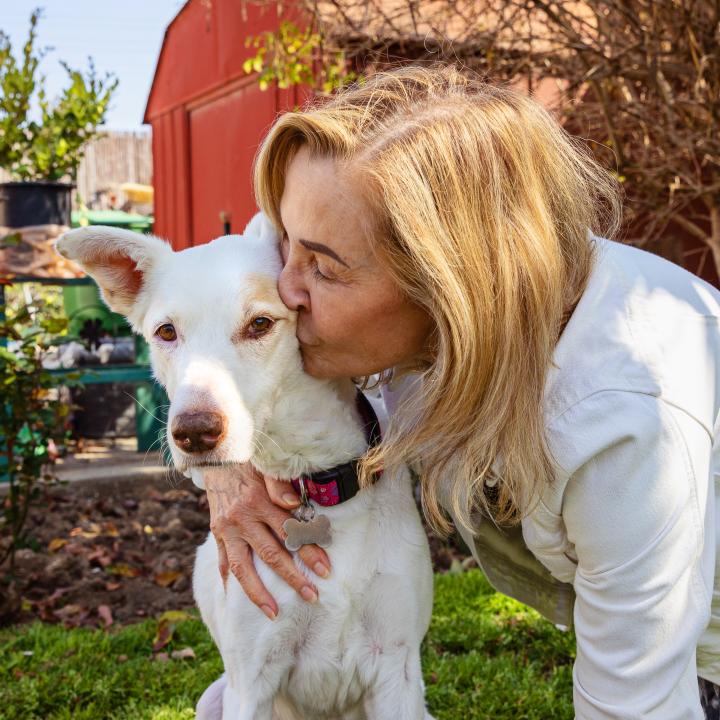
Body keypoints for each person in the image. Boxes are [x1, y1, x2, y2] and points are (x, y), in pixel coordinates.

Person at [200, 65, 720, 718]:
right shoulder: (339, 225)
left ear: (449, 289)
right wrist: (232, 472)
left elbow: (634, 703)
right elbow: (199, 305)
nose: (283, 288)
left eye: (323, 269)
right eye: (286, 247)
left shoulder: (624, 417)